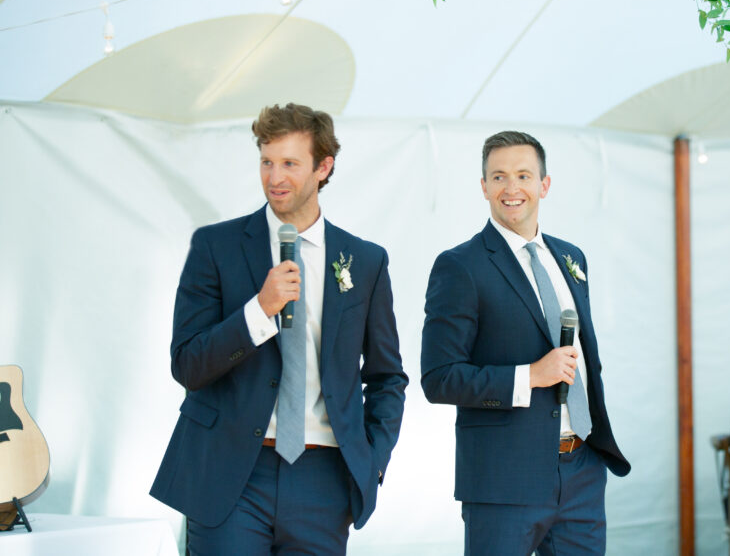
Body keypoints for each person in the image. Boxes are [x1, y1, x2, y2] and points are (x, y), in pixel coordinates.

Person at [150, 103, 408, 554]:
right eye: (267, 162)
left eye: (290, 163)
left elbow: (387, 377)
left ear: (323, 167)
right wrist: (258, 310)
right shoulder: (215, 247)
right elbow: (187, 364)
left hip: (324, 478)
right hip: (229, 473)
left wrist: (372, 459)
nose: (274, 177)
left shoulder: (365, 261)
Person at [420, 130, 630, 555]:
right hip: (503, 481)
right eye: (498, 177)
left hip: (582, 472)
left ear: (544, 185)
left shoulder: (572, 258)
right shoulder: (460, 266)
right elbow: (439, 379)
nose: (511, 188)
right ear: (483, 188)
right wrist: (530, 376)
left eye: (523, 175)